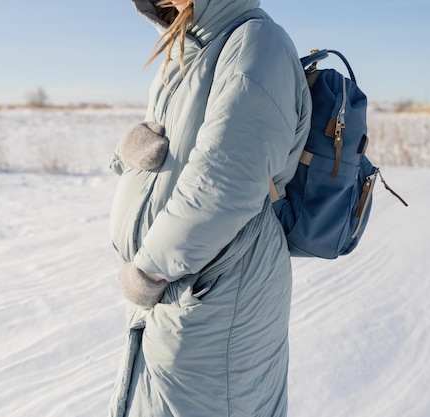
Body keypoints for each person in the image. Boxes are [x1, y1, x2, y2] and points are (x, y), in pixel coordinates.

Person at [108, 0, 312, 416]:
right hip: (183, 287)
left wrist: (150, 269)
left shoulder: (256, 43)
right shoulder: (193, 45)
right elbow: (183, 154)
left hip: (217, 292)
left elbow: (225, 182)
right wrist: (128, 154)